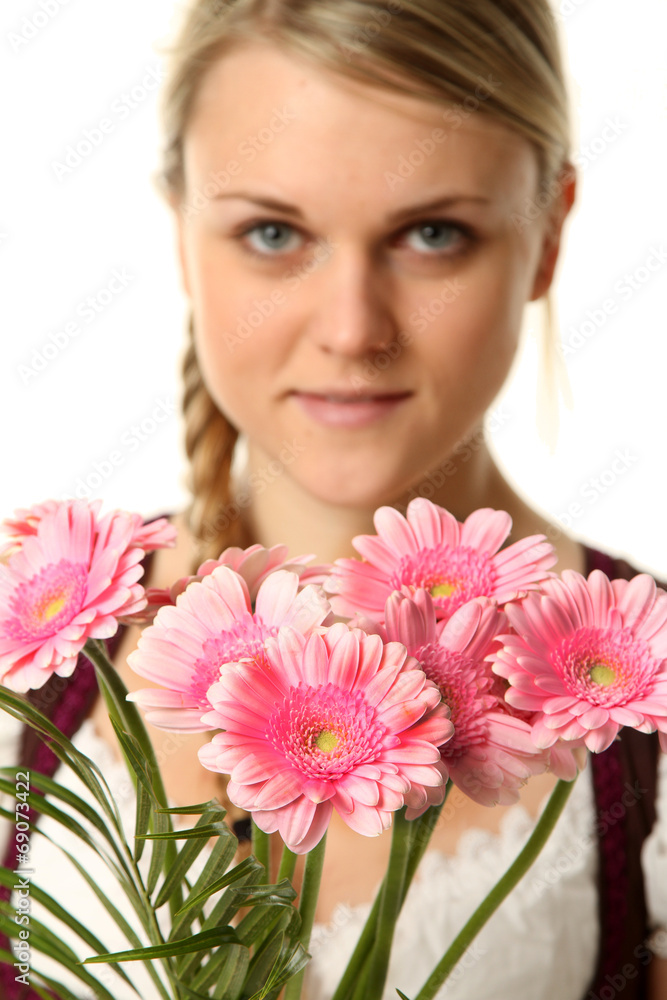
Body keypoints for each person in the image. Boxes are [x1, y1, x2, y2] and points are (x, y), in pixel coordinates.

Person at [2, 1, 666, 998]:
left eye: (433, 233)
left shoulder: (649, 719)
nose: (353, 328)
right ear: (182, 232)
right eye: (274, 231)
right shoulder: (28, 652)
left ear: (549, 235)